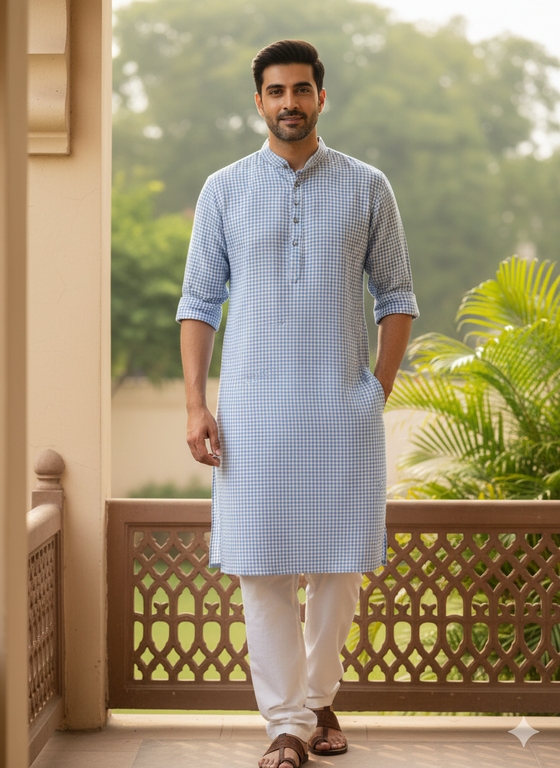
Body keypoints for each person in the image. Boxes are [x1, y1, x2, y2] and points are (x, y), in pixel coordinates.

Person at [177, 39, 419, 768]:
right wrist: (195, 403)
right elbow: (198, 302)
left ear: (321, 97)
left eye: (302, 90)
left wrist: (375, 388)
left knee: (340, 572)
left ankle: (313, 700)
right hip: (252, 413)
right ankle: (288, 724)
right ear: (259, 102)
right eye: (276, 91)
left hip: (340, 410)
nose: (290, 102)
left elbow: (398, 296)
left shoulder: (367, 186)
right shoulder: (224, 189)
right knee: (262, 572)